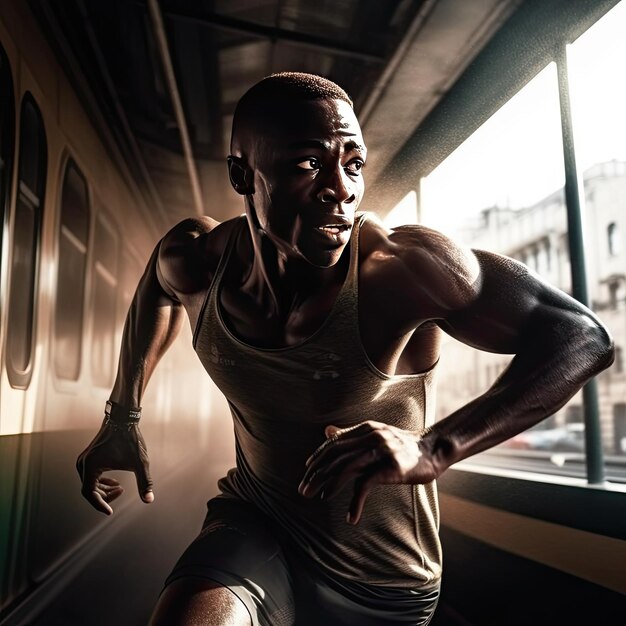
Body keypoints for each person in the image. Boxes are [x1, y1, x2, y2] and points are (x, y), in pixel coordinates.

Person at [76, 72, 614, 626]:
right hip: (255, 523)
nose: (341, 188)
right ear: (243, 174)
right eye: (308, 164)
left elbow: (580, 337)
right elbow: (154, 288)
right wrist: (122, 415)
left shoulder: (402, 270)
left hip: (381, 577)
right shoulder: (199, 260)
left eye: (353, 164)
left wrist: (434, 448)